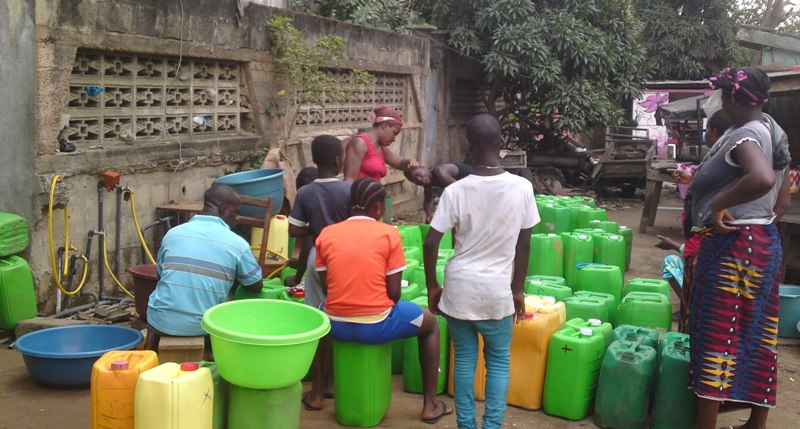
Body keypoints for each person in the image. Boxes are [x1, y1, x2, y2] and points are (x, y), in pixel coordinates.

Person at [685, 67, 791, 429]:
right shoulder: (775, 132)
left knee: (716, 336)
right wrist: (758, 225)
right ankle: (755, 423)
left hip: (732, 246)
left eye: (724, 94)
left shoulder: (745, 135)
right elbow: (782, 204)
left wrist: (718, 204)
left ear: (733, 98)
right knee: (759, 333)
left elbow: (761, 179)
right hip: (763, 244)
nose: (721, 100)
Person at [423, 114, 538, 429]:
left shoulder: (456, 191)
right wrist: (517, 290)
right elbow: (524, 245)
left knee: (464, 360)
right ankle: (492, 426)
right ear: (501, 144)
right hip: (496, 292)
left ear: (468, 147)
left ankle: (465, 425)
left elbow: (431, 241)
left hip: (459, 289)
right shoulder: (522, 187)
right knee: (499, 362)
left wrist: (433, 285)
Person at [315, 178, 453, 424]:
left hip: (335, 325)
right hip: (376, 324)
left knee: (320, 316)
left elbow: (327, 287)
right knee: (430, 324)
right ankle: (430, 405)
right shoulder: (388, 233)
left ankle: (317, 393)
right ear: (378, 207)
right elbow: (394, 294)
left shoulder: (327, 234)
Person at [146, 184, 263, 347]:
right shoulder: (237, 244)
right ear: (223, 210)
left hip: (161, 321)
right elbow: (255, 285)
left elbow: (160, 275)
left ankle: (150, 352)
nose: (237, 219)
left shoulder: (172, 234)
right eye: (236, 212)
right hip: (204, 325)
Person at [286, 135, 351, 411]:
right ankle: (337, 384)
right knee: (343, 317)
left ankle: (317, 391)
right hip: (347, 258)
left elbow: (293, 229)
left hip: (317, 258)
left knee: (319, 322)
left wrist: (315, 229)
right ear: (338, 160)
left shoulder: (305, 193)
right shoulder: (349, 189)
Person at [343, 106, 419, 182]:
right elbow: (349, 180)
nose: (394, 139)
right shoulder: (360, 143)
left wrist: (409, 162)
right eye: (394, 133)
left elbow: (400, 163)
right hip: (360, 193)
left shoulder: (381, 147)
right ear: (384, 126)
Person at [404, 162, 475, 223]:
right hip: (466, 189)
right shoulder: (428, 182)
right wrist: (428, 215)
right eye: (416, 180)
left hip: (474, 182)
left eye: (418, 174)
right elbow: (428, 200)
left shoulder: (440, 173)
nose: (419, 179)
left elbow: (460, 191)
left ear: (423, 167)